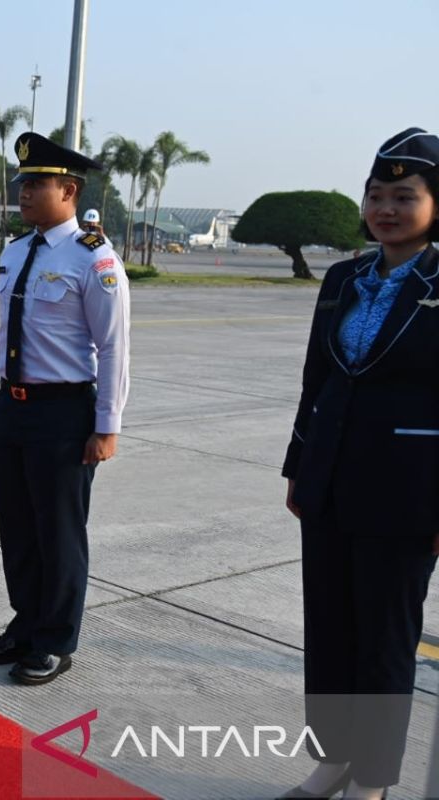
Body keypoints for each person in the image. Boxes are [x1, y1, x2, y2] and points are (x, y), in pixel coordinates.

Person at [279, 128, 439, 800]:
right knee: (332, 627)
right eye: (376, 194)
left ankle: (371, 778)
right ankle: (332, 758)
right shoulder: (345, 276)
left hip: (408, 492)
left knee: (384, 638)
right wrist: (297, 464)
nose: (386, 208)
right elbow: (317, 377)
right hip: (331, 479)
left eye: (405, 196)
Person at [0, 132, 130, 686]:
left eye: (36, 184)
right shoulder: (16, 250)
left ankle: (56, 638)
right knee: (16, 525)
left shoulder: (95, 258)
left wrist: (106, 426)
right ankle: (26, 623)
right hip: (10, 406)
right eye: (23, 184)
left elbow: (113, 347)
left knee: (59, 530)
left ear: (69, 189)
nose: (25, 193)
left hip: (63, 411)